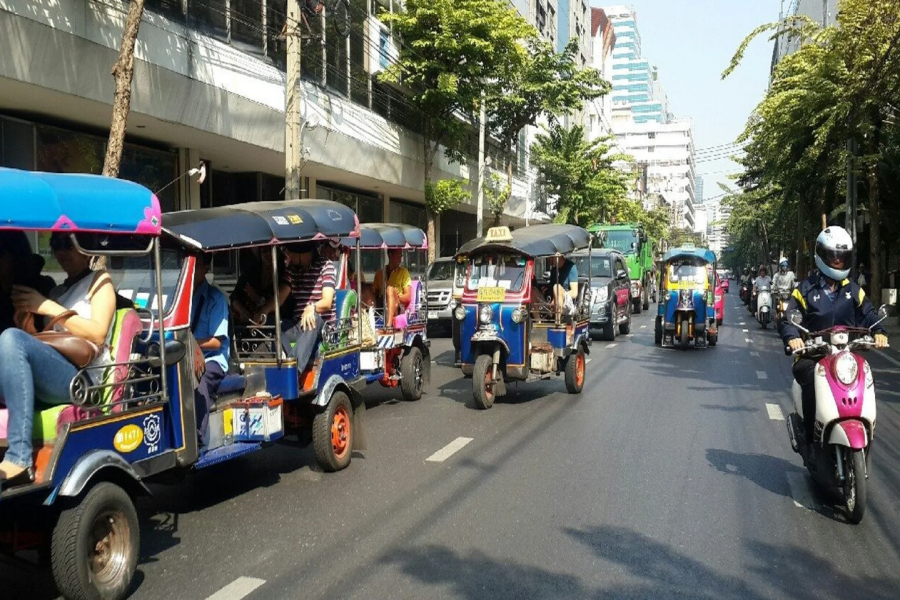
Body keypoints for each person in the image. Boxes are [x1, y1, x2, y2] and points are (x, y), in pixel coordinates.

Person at [0, 232, 116, 487]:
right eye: (56, 244)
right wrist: (27, 327)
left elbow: (97, 333)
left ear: (86, 246)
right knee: (10, 338)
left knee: (9, 338)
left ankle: (19, 457)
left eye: (68, 244)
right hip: (58, 373)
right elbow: (48, 343)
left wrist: (46, 306)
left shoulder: (100, 282)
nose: (61, 251)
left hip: (82, 380)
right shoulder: (58, 290)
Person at [782, 226, 888, 459]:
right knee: (811, 380)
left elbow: (869, 314)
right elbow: (789, 319)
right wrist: (793, 338)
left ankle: (863, 429)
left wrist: (879, 331)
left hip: (845, 355)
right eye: (833, 256)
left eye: (843, 257)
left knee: (865, 376)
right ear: (821, 255)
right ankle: (810, 441)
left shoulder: (853, 290)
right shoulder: (805, 289)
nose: (838, 261)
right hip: (812, 355)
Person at [258, 242, 335, 368]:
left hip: (322, 327)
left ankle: (294, 370)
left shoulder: (326, 266)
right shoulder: (292, 269)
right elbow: (280, 297)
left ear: (301, 254)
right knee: (272, 322)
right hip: (298, 325)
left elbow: (327, 302)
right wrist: (264, 311)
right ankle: (288, 362)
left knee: (313, 318)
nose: (288, 256)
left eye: (290, 253)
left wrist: (312, 308)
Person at [190, 252, 230, 448]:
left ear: (206, 268)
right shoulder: (184, 296)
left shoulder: (216, 299)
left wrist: (192, 343)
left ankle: (197, 436)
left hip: (213, 359)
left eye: (195, 266)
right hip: (187, 355)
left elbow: (216, 342)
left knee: (200, 379)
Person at [373, 248, 412, 327]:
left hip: (397, 305)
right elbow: (374, 293)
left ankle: (388, 324)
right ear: (390, 255)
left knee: (390, 289)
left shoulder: (404, 272)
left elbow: (408, 297)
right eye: (398, 256)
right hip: (381, 305)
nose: (400, 259)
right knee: (366, 291)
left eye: (401, 256)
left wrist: (397, 296)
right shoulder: (379, 273)